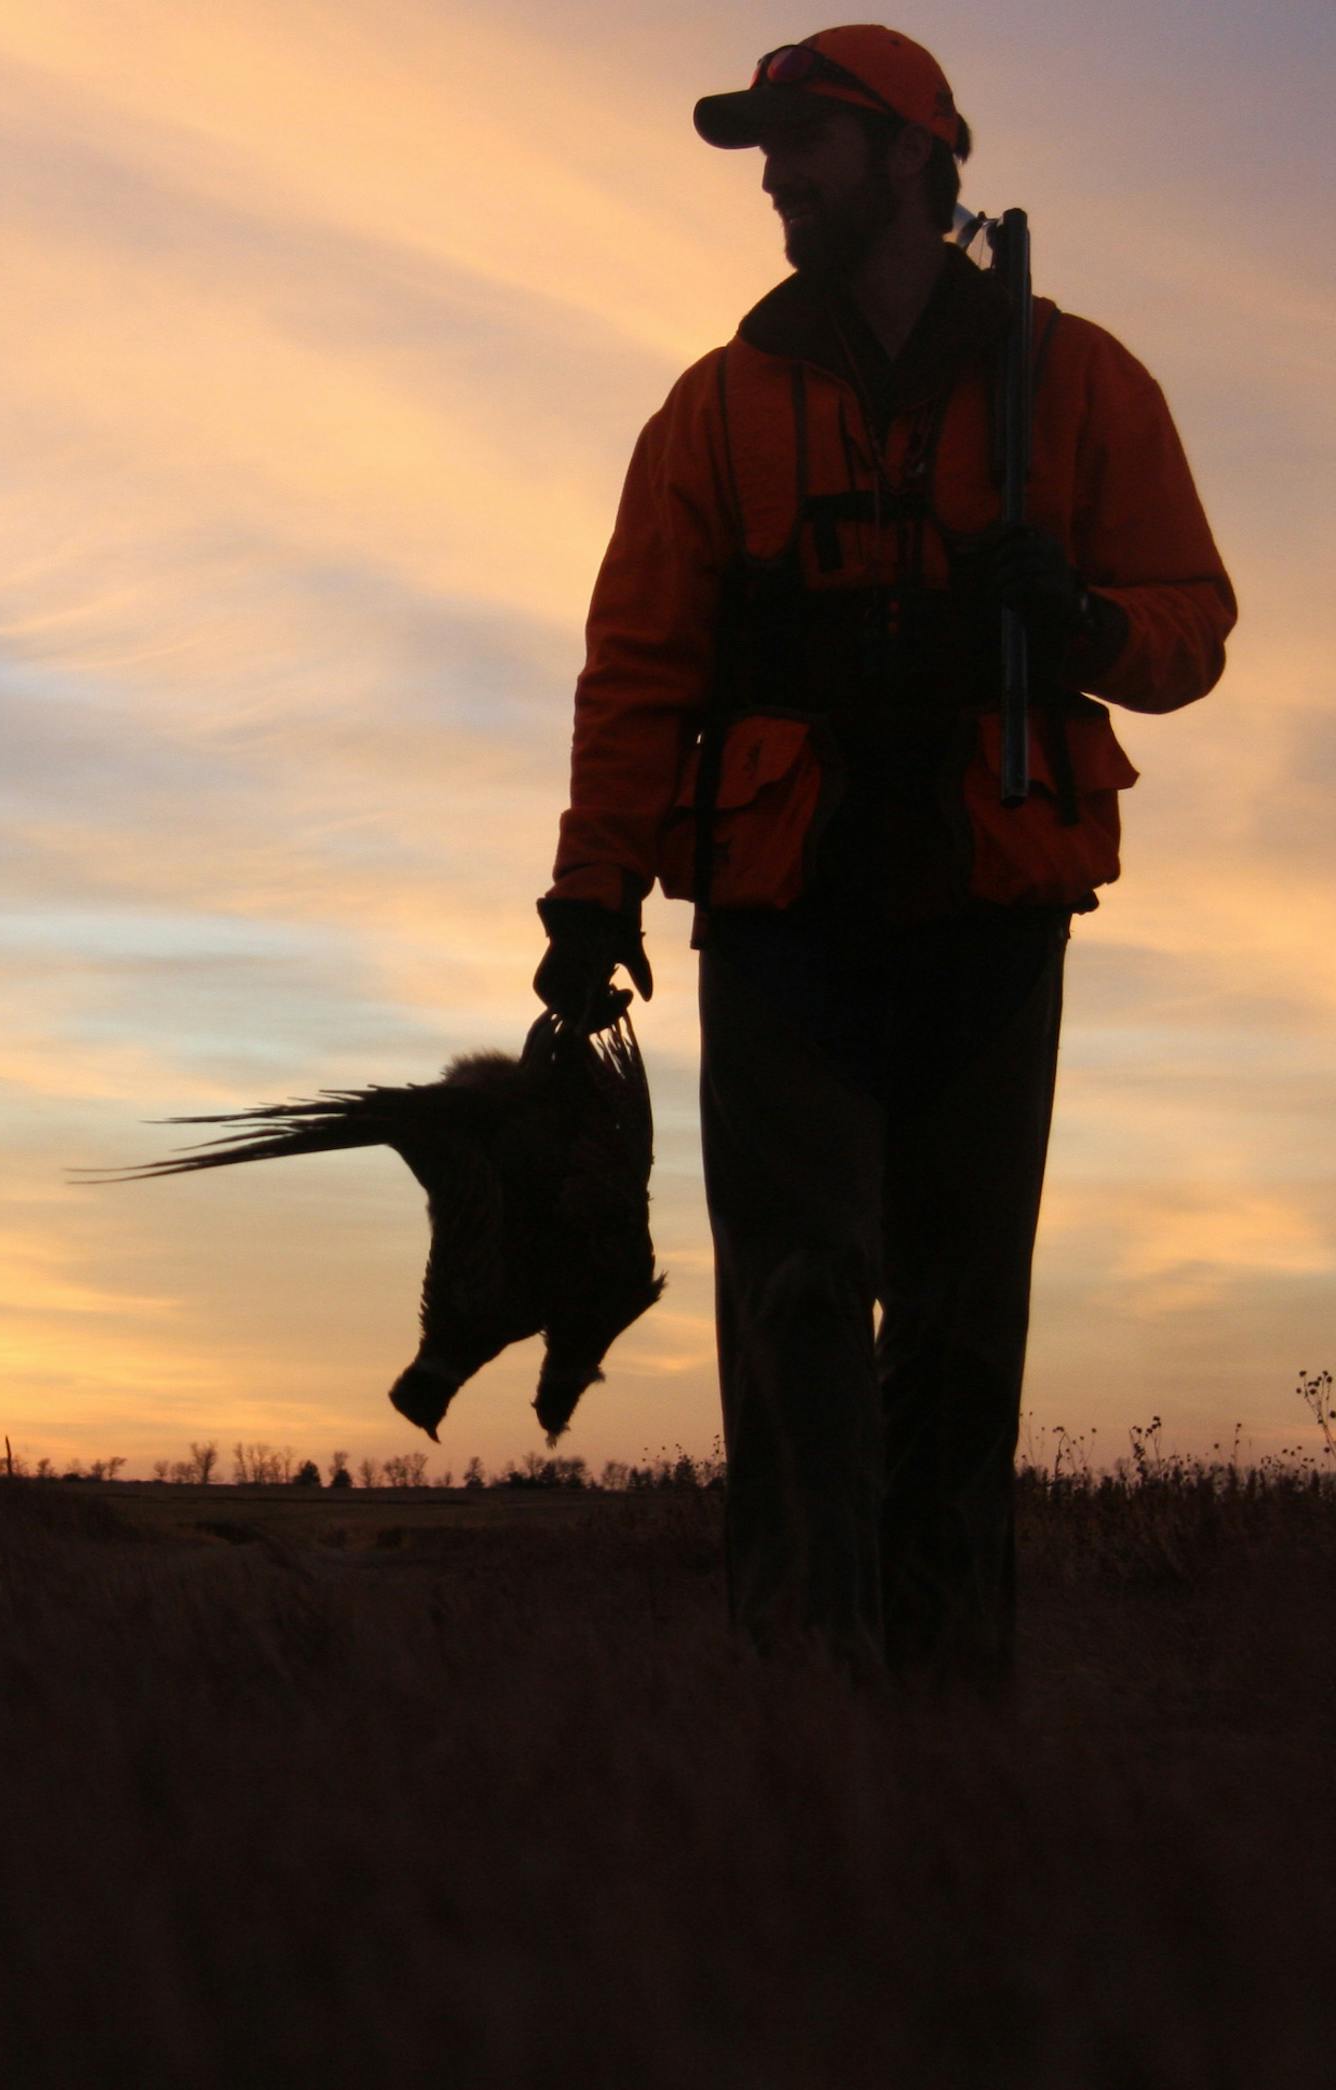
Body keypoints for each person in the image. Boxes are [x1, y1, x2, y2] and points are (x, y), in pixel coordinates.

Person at [533, 28, 1234, 1686]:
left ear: (915, 156)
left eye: (807, 144)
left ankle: (945, 1723)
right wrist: (591, 892)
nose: (776, 176)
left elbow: (1193, 626)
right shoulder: (712, 408)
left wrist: (1081, 618)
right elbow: (637, 668)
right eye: (768, 148)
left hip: (993, 905)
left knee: (964, 1323)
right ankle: (806, 1705)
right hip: (784, 912)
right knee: (794, 1302)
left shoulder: (1084, 382)